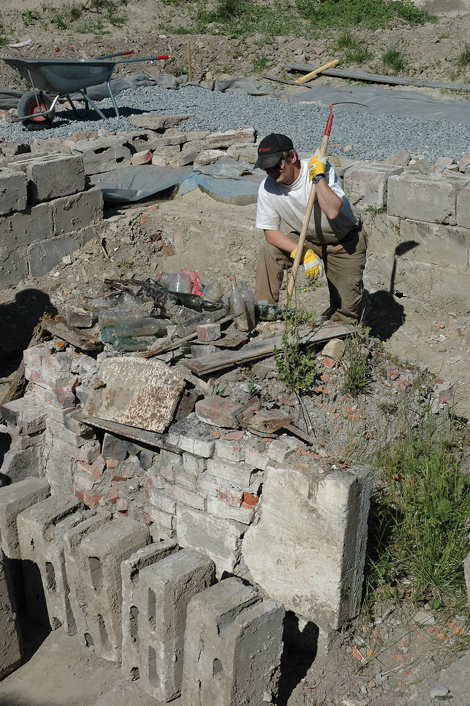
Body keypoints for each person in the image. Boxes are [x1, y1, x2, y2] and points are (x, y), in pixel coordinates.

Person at [254, 133, 367, 323]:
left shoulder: (318, 170)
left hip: (344, 243)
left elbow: (332, 211)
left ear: (292, 157)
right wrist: (302, 251)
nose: (272, 172)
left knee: (345, 314)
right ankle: (265, 312)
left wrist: (318, 178)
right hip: (309, 238)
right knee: (270, 251)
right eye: (266, 168)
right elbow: (270, 234)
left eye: (276, 165)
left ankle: (341, 339)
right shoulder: (268, 187)